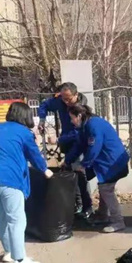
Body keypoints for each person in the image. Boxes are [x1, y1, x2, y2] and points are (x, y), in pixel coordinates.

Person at [0, 102, 53, 263]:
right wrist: (45, 170)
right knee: (17, 220)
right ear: (26, 116)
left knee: (1, 217)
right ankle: (20, 262)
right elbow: (34, 154)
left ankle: (9, 252)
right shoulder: (24, 132)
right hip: (10, 181)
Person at [65, 104, 129, 233]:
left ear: (79, 116)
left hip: (112, 163)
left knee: (106, 189)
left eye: (72, 118)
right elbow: (79, 145)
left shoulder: (94, 126)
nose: (71, 121)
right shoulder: (85, 127)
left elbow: (94, 148)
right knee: (104, 187)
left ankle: (118, 221)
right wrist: (67, 161)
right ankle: (102, 215)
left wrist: (83, 164)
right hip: (107, 163)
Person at [37, 82, 92, 217]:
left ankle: (87, 207)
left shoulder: (81, 109)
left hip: (79, 143)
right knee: (71, 174)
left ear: (76, 95)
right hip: (68, 144)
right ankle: (77, 204)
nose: (66, 102)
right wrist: (42, 119)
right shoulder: (60, 102)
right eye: (63, 98)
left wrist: (58, 140)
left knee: (81, 175)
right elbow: (44, 105)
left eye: (69, 99)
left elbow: (78, 132)